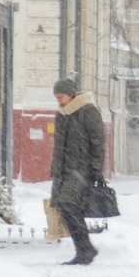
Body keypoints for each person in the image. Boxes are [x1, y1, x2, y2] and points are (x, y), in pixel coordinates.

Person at [51, 76, 104, 265]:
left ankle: (85, 249)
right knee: (67, 209)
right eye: (57, 97)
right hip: (64, 171)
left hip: (82, 169)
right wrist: (56, 170)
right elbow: (59, 146)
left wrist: (97, 169)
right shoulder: (62, 114)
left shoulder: (88, 111)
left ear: (71, 95)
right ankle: (84, 249)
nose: (59, 100)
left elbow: (98, 142)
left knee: (69, 205)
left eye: (61, 96)